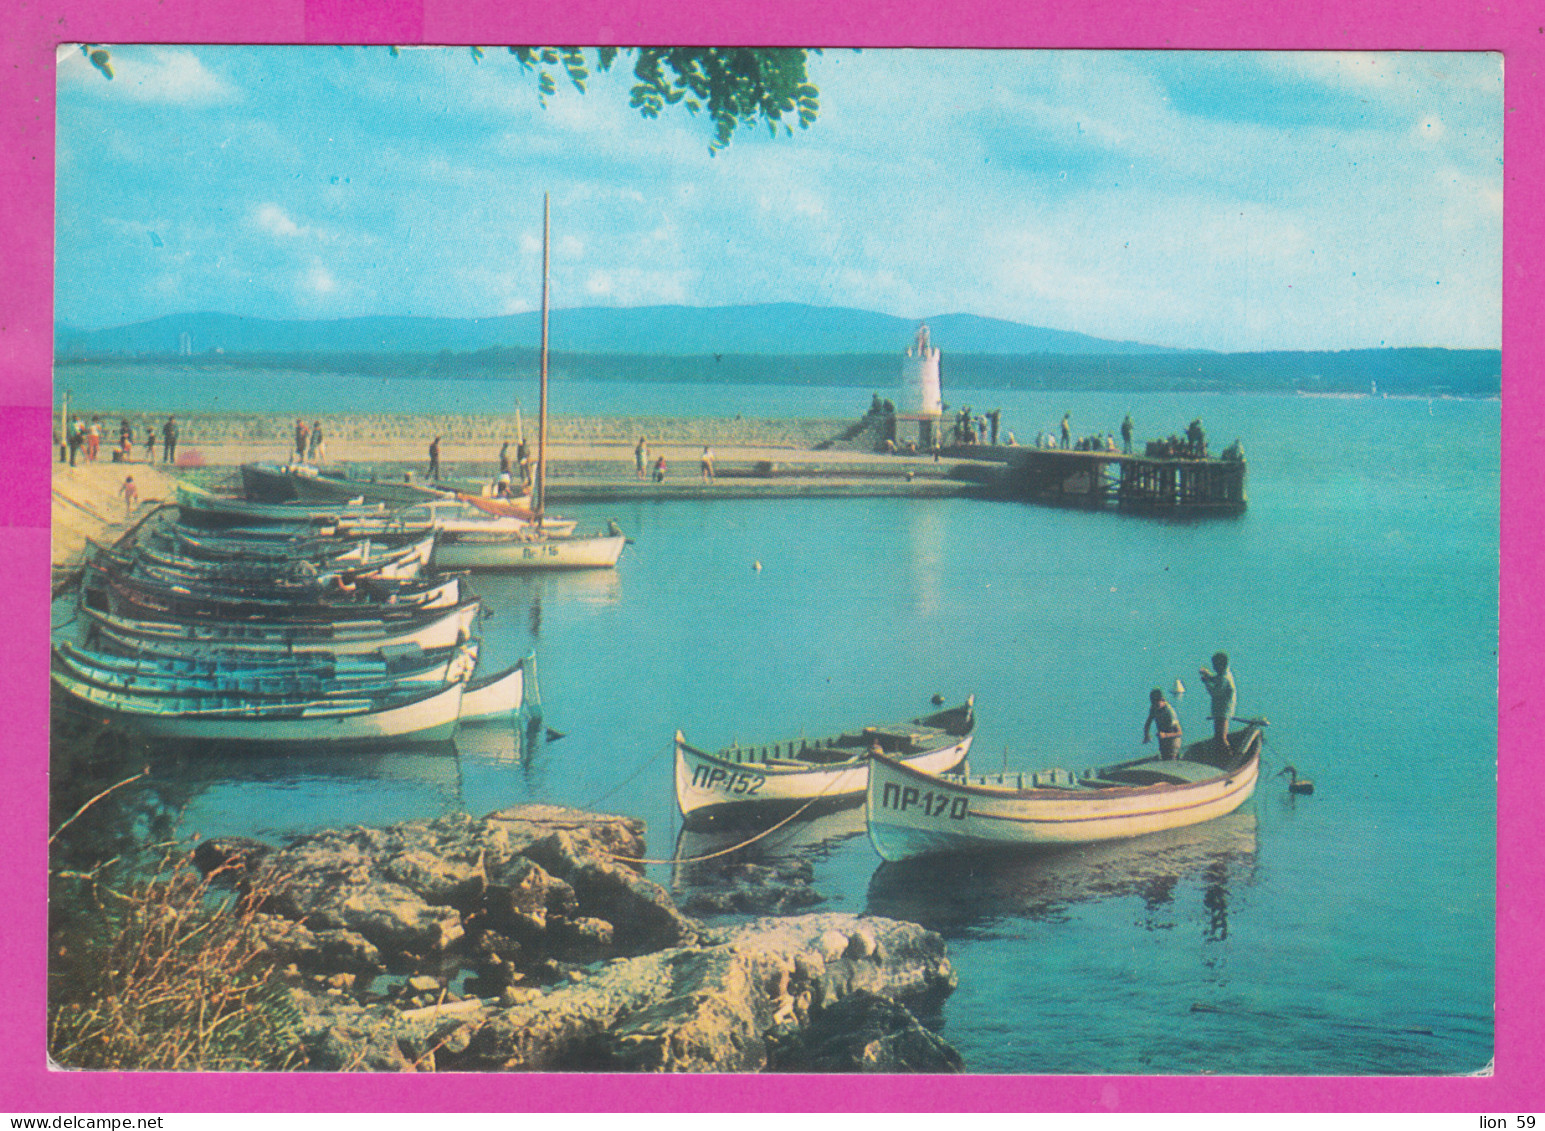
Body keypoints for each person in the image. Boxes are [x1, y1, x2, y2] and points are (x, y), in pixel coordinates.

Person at [1199, 652, 1237, 756]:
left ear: (1221, 665)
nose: (1214, 668)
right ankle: (1222, 755)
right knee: (1218, 736)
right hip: (1220, 710)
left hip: (1223, 711)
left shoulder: (1225, 678)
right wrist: (1208, 675)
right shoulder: (1224, 674)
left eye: (1215, 665)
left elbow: (1215, 692)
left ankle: (1230, 755)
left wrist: (1206, 682)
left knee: (1221, 737)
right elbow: (1216, 679)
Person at [1143, 689, 1183, 760]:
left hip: (1173, 740)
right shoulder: (1154, 708)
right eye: (1153, 703)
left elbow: (1179, 733)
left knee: (1171, 759)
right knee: (1164, 758)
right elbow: (1148, 722)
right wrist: (1146, 734)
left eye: (1157, 704)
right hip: (1162, 740)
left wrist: (1165, 735)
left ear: (1162, 700)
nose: (1155, 706)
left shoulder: (1169, 712)